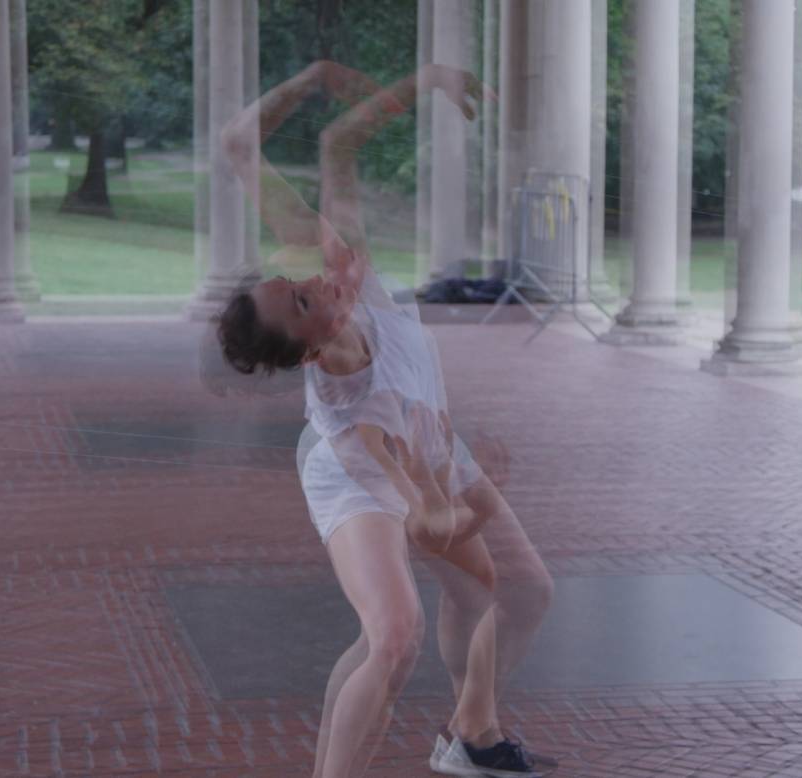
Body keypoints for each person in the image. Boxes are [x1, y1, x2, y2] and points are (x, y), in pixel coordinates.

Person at [212, 61, 556, 778]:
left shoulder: (340, 277)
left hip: (428, 441)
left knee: (521, 592)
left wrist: (415, 80)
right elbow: (421, 511)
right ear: (307, 353)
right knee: (394, 635)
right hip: (364, 475)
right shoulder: (352, 420)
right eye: (302, 299)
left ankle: (472, 734)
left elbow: (336, 144)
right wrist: (449, 504)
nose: (311, 276)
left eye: (296, 279)